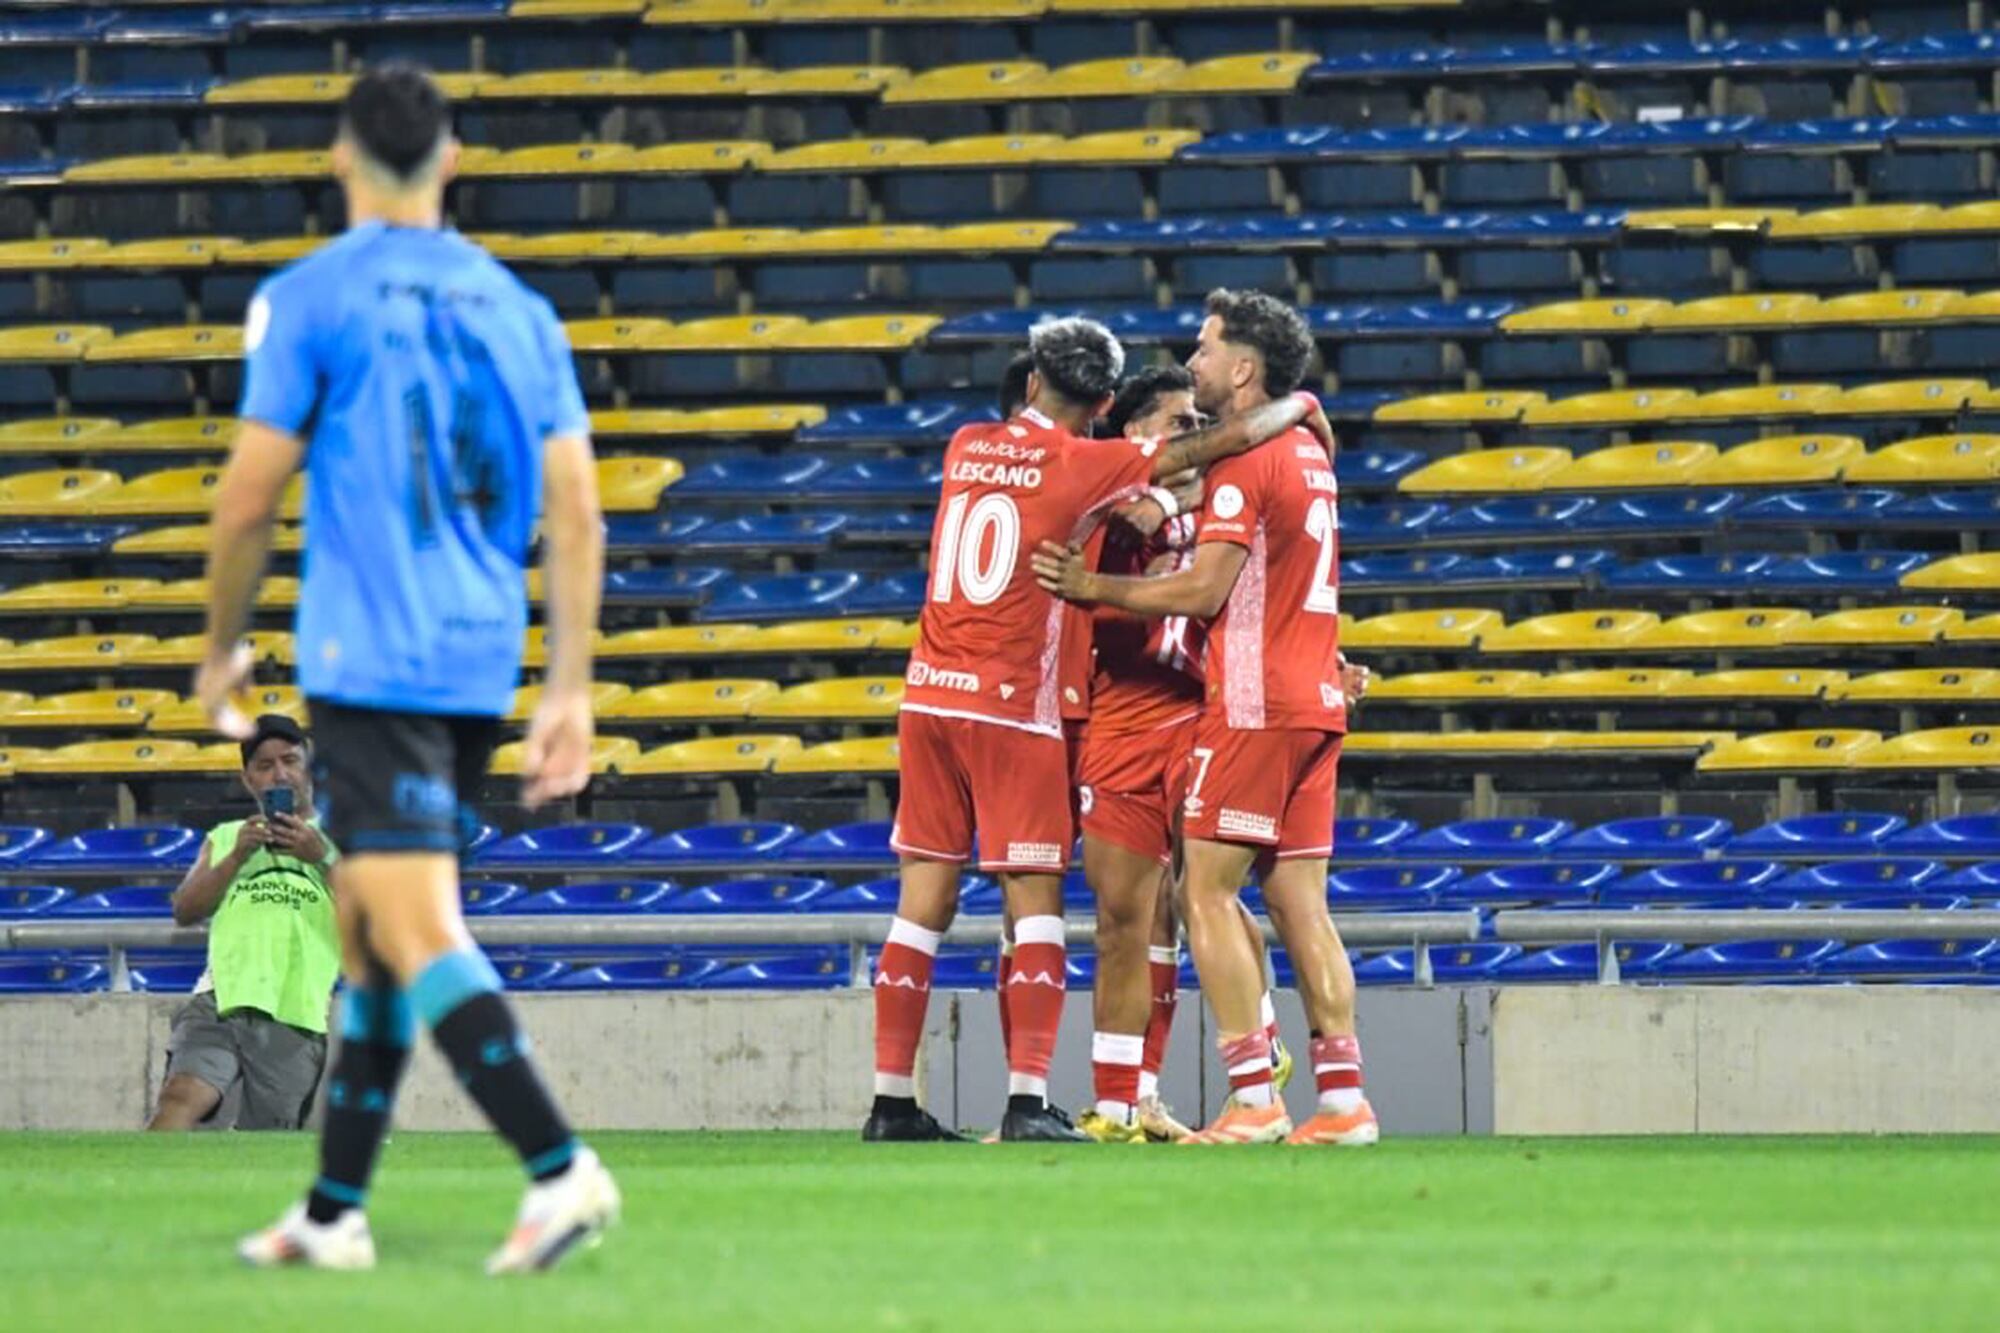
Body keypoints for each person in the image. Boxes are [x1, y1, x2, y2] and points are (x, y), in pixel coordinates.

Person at [195, 63, 617, 1271]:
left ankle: (559, 1168)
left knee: (409, 919)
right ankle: (334, 1212)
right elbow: (578, 516)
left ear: (339, 159)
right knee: (373, 942)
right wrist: (569, 685)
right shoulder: (520, 312)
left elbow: (247, 499)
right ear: (450, 163)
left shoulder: (309, 298)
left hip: (369, 660)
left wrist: (221, 644)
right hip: (479, 661)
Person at [865, 315, 1332, 1144]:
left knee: (919, 909)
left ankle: (891, 1101)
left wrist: (1153, 498)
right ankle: (1029, 1100)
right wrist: (1295, 407)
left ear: (1033, 378)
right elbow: (1207, 453)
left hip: (930, 695)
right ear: (1111, 405)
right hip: (1019, 706)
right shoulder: (1086, 464)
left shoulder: (966, 445)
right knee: (1048, 908)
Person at [1032, 289, 1376, 1147]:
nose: (1195, 361)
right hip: (1315, 700)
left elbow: (1205, 588)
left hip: (1255, 702)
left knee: (1203, 893)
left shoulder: (1248, 465)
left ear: (1245, 369)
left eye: (1208, 349)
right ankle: (1342, 1101)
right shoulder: (1309, 452)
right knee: (1301, 900)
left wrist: (1094, 587)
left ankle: (1254, 1095)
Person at [1069, 367, 1290, 1144]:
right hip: (1120, 721)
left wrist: (1169, 496)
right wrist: (1157, 495)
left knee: (1208, 898)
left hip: (1206, 712)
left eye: (1202, 416)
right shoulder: (1096, 496)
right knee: (1125, 919)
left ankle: (1259, 1046)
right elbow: (1105, 517)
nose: (1195, 429)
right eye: (1177, 419)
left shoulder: (1226, 487)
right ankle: (1125, 1102)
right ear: (1133, 436)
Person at [148, 714, 340, 1133]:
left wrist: (320, 856)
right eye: (265, 766)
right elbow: (185, 909)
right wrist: (235, 857)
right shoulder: (227, 836)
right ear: (248, 779)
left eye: (290, 760)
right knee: (179, 1097)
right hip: (220, 995)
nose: (280, 774)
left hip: (297, 1008)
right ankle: (131, 1196)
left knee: (268, 1138)